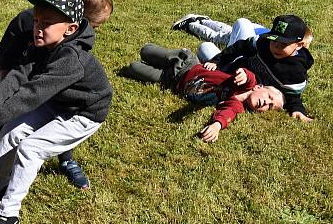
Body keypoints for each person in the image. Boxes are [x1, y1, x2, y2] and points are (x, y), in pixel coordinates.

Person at [0, 0, 113, 224]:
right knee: (10, 132)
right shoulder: (43, 43)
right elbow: (19, 75)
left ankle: (8, 217)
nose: (38, 27)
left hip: (83, 114)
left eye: (47, 23)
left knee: (31, 148)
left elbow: (31, 95)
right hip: (58, 102)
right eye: (37, 19)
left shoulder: (71, 58)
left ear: (71, 29)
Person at [123, 44, 285, 142]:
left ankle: (145, 67)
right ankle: (155, 54)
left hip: (171, 81)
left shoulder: (236, 105)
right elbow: (247, 75)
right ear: (259, 87)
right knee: (146, 50)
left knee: (133, 67)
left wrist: (216, 125)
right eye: (269, 97)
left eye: (270, 107)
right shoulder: (247, 83)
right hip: (186, 64)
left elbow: (227, 113)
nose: (267, 103)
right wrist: (243, 73)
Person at [202, 15, 314, 122]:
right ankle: (200, 21)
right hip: (236, 61)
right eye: (274, 40)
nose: (276, 47)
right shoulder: (264, 42)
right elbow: (241, 46)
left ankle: (222, 33)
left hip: (231, 76)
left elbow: (293, 96)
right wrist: (217, 60)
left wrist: (297, 109)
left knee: (205, 47)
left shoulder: (295, 72)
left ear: (299, 45)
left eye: (283, 44)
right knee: (242, 22)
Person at [171, 14, 314, 62]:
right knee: (218, 33)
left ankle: (193, 23)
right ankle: (198, 21)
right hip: (244, 38)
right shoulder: (272, 39)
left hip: (242, 36)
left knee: (218, 34)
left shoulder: (275, 37)